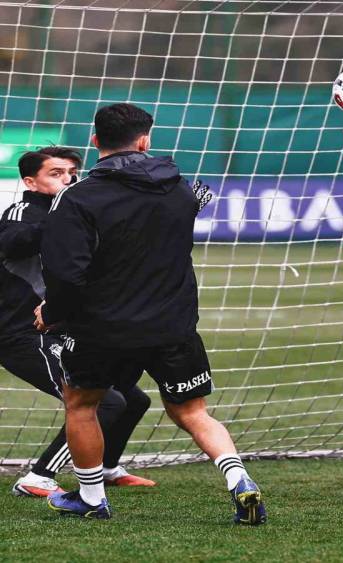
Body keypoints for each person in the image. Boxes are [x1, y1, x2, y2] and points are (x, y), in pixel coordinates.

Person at [36, 103, 265, 523]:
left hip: (102, 327)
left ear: (94, 141)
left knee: (83, 405)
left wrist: (52, 312)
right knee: (193, 413)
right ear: (144, 140)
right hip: (172, 324)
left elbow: (65, 272)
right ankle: (239, 480)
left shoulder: (79, 195)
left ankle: (90, 499)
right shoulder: (180, 188)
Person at [1, 147, 155, 497]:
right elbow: (11, 241)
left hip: (62, 332)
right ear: (30, 181)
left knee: (133, 401)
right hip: (21, 336)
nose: (68, 178)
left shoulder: (76, 214)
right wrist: (60, 223)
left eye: (71, 172)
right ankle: (37, 478)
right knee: (104, 401)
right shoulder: (24, 211)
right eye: (55, 173)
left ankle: (108, 468)